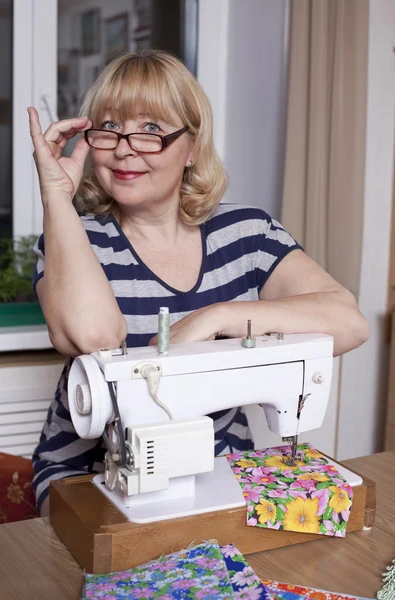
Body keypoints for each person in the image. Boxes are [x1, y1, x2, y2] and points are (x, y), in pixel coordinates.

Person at [28, 50, 369, 517]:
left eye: (151, 129)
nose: (125, 147)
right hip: (88, 481)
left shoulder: (246, 234)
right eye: (109, 127)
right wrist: (56, 198)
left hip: (221, 467)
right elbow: (92, 337)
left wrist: (218, 316)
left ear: (191, 148)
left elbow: (347, 322)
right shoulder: (75, 239)